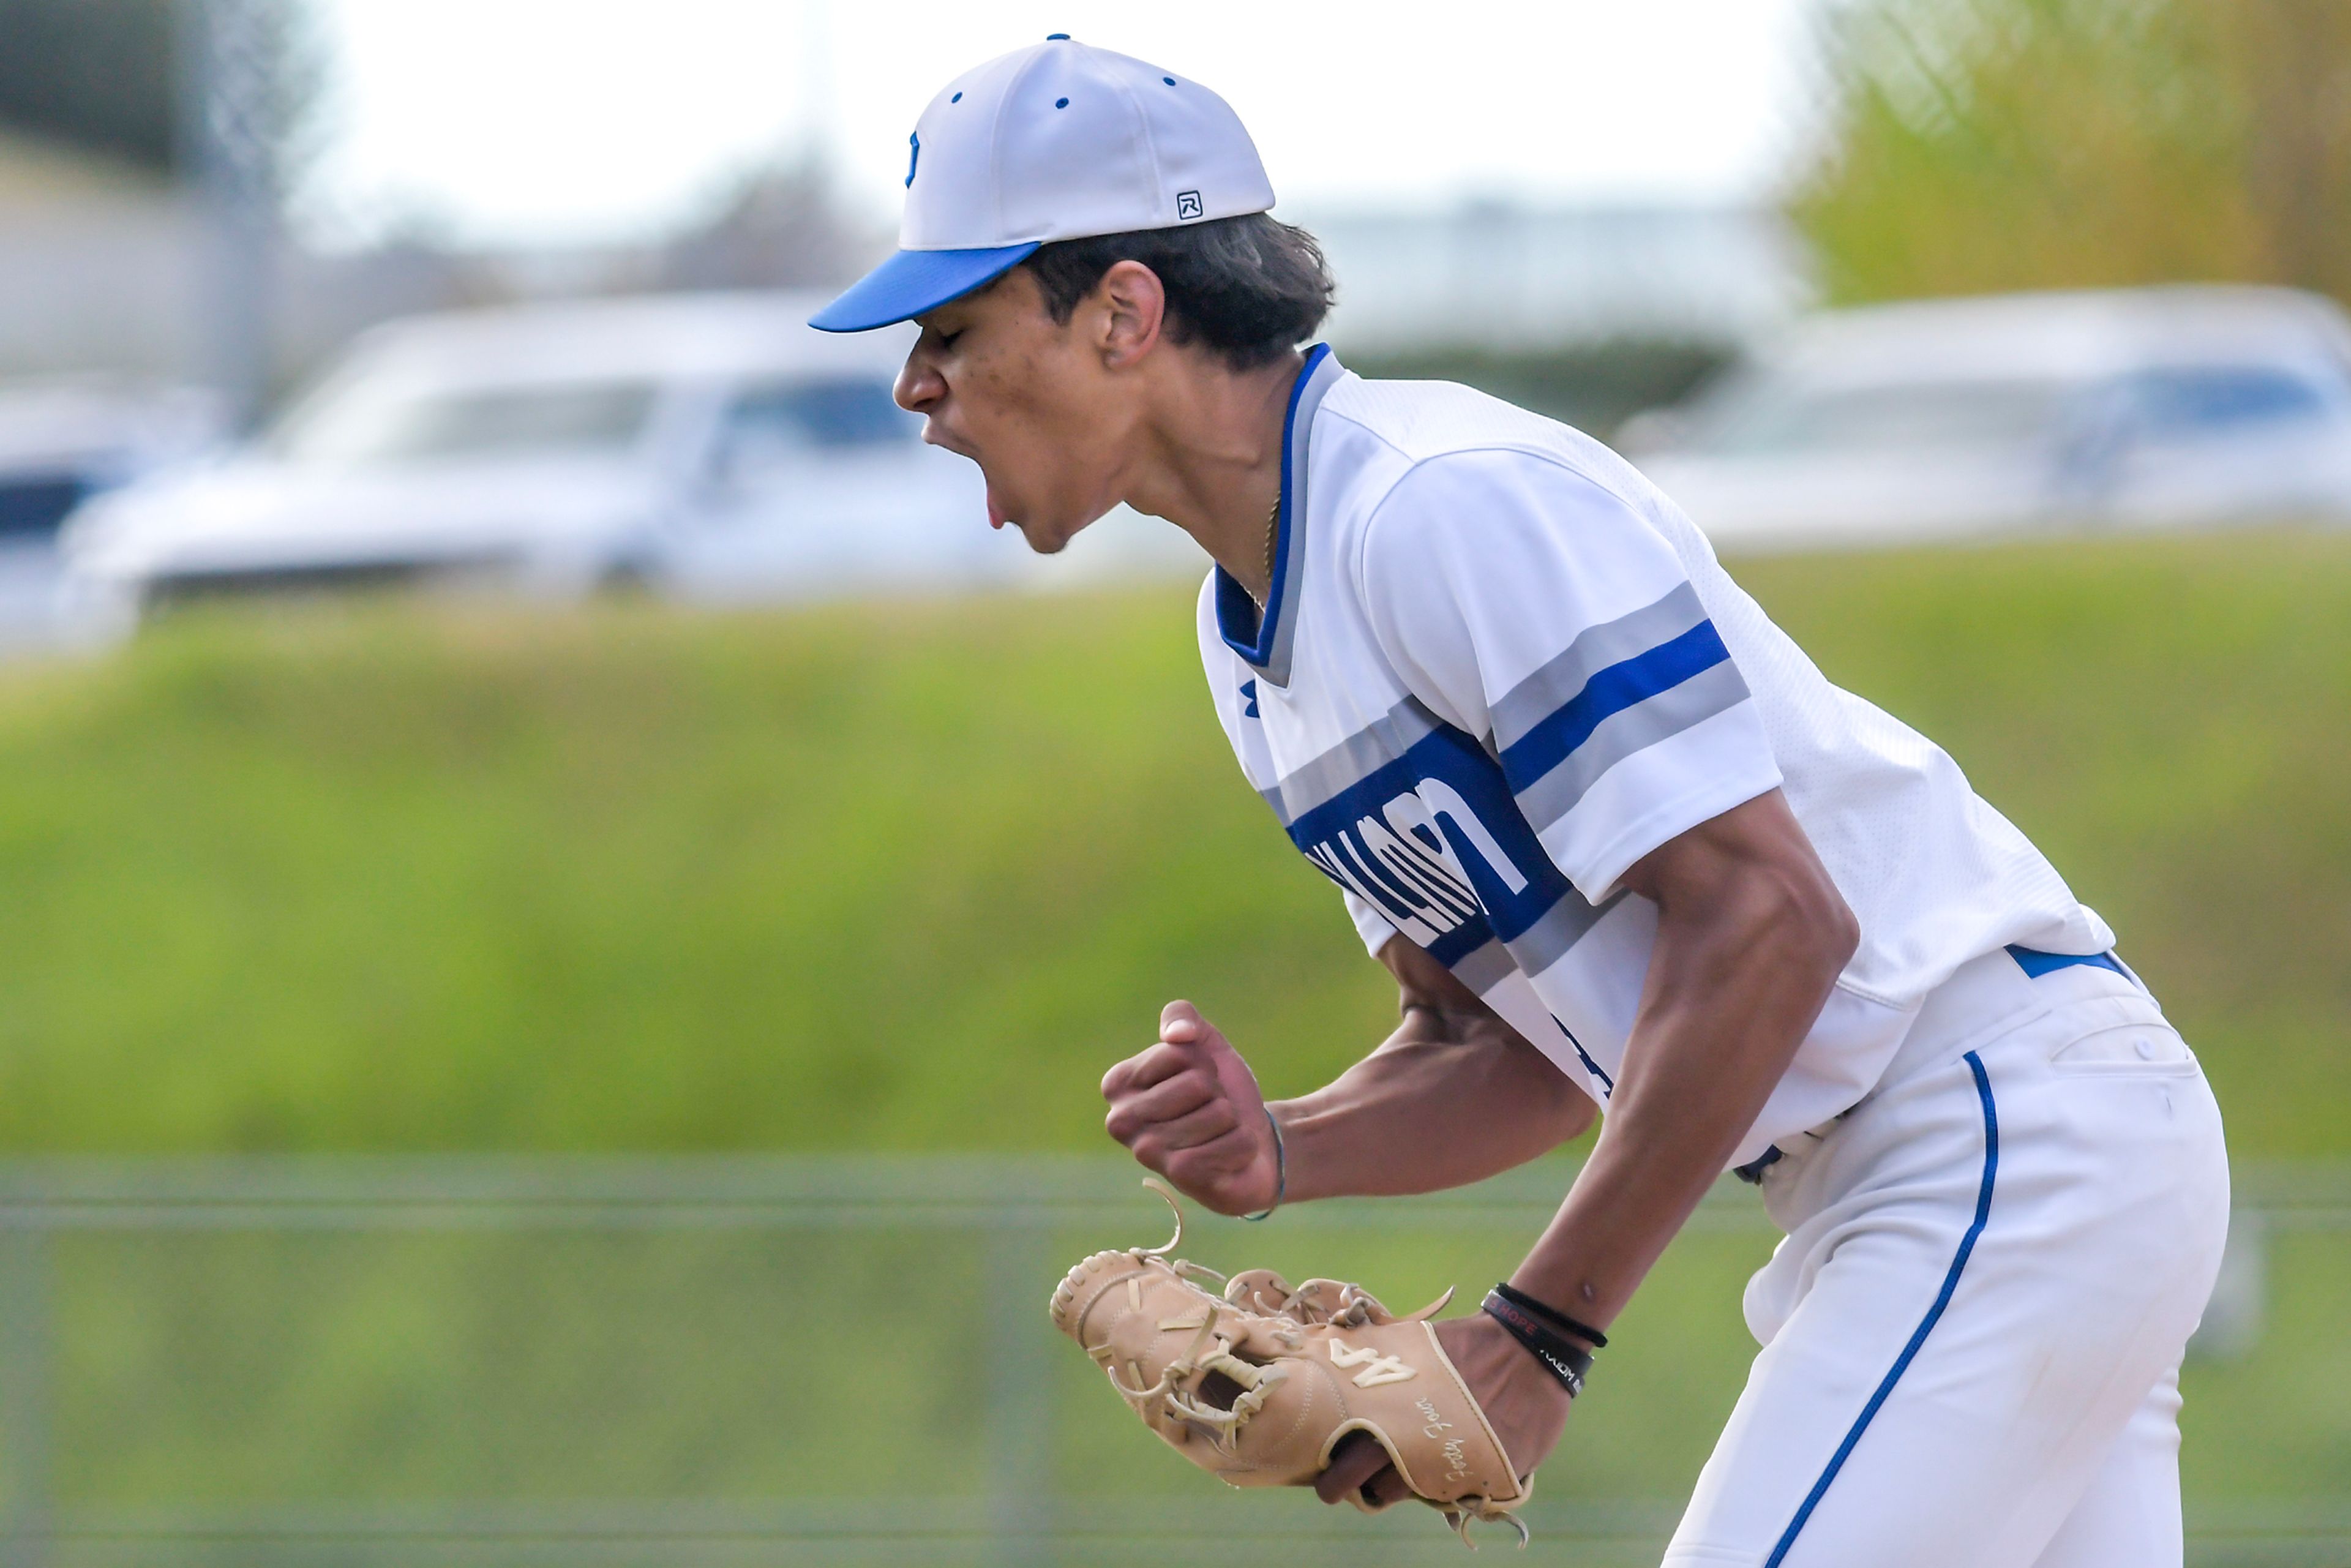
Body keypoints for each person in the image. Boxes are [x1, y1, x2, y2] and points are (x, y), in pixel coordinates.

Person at [812, 36, 2230, 1568]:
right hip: (1943, 1171)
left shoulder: (1439, 507)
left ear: (1125, 312)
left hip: (1998, 1128)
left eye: (954, 324)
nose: (917, 383)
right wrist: (1282, 1145)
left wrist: (1538, 1336)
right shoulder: (1252, 643)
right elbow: (1524, 1051)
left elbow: (1770, 918)